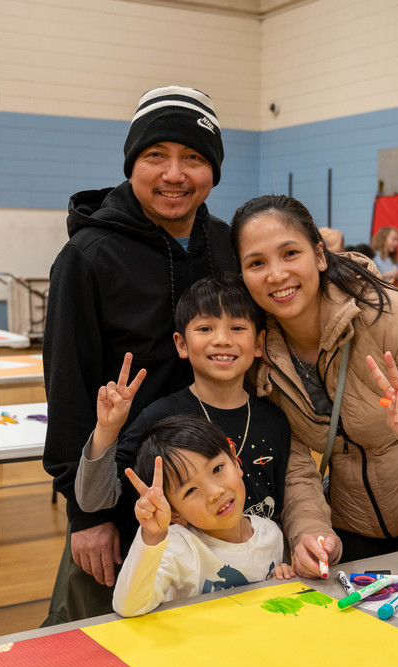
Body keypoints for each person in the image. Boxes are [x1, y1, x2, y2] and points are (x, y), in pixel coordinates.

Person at [41, 85, 235, 625]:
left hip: (221, 486)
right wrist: (86, 515)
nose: (174, 174)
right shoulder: (86, 258)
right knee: (115, 633)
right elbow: (68, 388)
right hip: (124, 492)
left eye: (193, 158)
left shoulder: (226, 245)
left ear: (212, 171)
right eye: (156, 156)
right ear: (132, 164)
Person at [231, 195, 398, 578]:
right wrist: (311, 532)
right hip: (354, 527)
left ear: (319, 256)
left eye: (289, 253)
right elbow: (297, 466)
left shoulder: (388, 316)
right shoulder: (256, 354)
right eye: (257, 263)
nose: (275, 274)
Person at [74, 272, 290, 528]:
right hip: (183, 565)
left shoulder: (275, 420)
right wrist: (107, 429)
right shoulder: (159, 418)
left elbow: (283, 509)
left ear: (258, 343)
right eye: (205, 328)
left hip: (264, 562)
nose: (222, 339)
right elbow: (93, 500)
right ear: (182, 344)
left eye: (237, 328)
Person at [113, 415, 294, 617]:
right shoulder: (179, 547)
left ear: (235, 462)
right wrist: (152, 534)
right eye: (190, 491)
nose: (215, 492)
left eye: (217, 469)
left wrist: (283, 580)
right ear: (175, 513)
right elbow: (129, 607)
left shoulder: (271, 534)